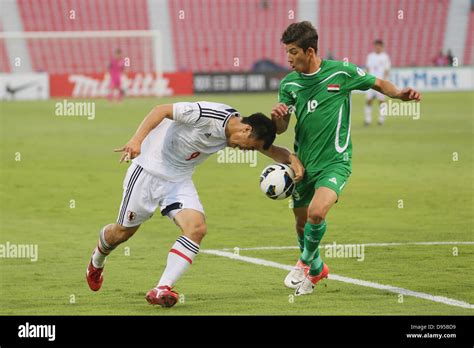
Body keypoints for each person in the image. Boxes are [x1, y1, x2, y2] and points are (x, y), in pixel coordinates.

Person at [86, 101, 304, 307]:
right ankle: (97, 262)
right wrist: (137, 140)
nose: (244, 150)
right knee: (122, 233)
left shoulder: (241, 133)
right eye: (248, 147)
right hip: (148, 171)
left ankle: (162, 288)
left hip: (179, 179)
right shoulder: (207, 114)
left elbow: (272, 150)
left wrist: (292, 159)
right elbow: (161, 109)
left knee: (197, 228)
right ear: (246, 130)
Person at [271, 21, 421, 296]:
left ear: (310, 50)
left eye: (293, 52)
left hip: (335, 161)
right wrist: (279, 118)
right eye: (287, 52)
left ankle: (303, 263)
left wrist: (400, 94)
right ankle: (317, 269)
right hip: (303, 165)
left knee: (317, 212)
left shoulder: (342, 72)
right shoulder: (289, 84)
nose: (288, 58)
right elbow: (282, 128)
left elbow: (377, 83)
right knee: (302, 224)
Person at [364, 39, 391, 126]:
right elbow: (367, 68)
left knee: (381, 101)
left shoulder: (385, 57)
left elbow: (387, 70)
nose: (377, 47)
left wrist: (385, 81)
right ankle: (368, 120)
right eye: (376, 46)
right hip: (371, 82)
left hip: (381, 82)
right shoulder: (370, 56)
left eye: (379, 46)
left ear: (382, 47)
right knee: (369, 100)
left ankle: (381, 119)